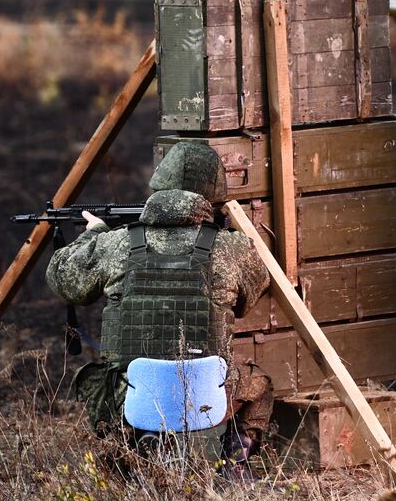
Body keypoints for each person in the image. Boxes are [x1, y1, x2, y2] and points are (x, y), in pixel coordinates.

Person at [46, 143, 270, 480]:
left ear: (159, 186)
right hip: (210, 396)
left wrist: (93, 236)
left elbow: (62, 278)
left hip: (130, 397)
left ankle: (132, 455)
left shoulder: (118, 244)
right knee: (261, 387)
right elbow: (247, 300)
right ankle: (234, 463)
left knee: (97, 380)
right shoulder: (232, 248)